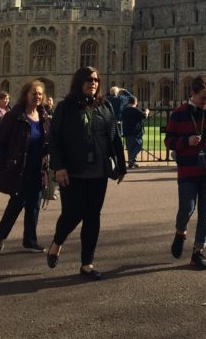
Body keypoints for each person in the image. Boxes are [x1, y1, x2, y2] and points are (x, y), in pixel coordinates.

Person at [46, 66, 127, 281]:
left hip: (98, 171)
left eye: (96, 80)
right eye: (89, 80)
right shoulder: (65, 107)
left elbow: (114, 137)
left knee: (93, 216)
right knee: (72, 214)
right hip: (72, 171)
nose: (93, 83)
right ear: (79, 82)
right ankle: (57, 242)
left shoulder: (105, 105)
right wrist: (59, 166)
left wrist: (121, 164)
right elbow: (54, 139)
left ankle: (87, 263)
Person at [164, 75, 206, 270]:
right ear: (192, 93)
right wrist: (187, 141)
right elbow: (169, 141)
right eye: (203, 97)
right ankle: (180, 232)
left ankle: (198, 252)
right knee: (187, 207)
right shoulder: (179, 113)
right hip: (188, 168)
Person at [0, 80, 50, 253]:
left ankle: (30, 241)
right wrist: (0, 165)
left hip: (37, 168)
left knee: (34, 206)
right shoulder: (14, 116)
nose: (37, 96)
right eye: (34, 93)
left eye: (39, 93)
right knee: (16, 204)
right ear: (26, 95)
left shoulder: (43, 116)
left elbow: (48, 141)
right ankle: (0, 234)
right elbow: (0, 142)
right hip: (19, 168)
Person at [121, 97, 149, 169]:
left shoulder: (124, 110)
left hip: (127, 131)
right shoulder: (136, 110)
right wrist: (147, 112)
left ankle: (131, 163)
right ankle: (131, 160)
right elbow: (144, 116)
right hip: (136, 132)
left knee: (130, 148)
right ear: (135, 102)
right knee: (138, 146)